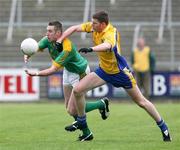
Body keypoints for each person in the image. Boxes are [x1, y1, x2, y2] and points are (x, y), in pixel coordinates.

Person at [56, 11, 172, 142]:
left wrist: (91, 49)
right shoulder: (94, 27)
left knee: (141, 102)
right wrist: (60, 40)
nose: (91, 25)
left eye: (94, 23)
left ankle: (164, 127)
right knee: (77, 90)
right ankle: (82, 122)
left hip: (120, 73)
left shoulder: (111, 32)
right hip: (103, 72)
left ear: (103, 24)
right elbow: (74, 28)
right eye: (92, 22)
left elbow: (108, 45)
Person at [24, 21, 110, 141]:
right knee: (68, 107)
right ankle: (96, 114)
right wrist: (29, 53)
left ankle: (88, 128)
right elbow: (36, 47)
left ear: (58, 33)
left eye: (50, 31)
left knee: (72, 109)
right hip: (68, 71)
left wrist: (36, 74)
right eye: (47, 30)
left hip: (80, 72)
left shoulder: (67, 47)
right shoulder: (47, 40)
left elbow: (53, 69)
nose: (47, 33)